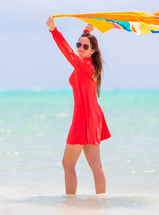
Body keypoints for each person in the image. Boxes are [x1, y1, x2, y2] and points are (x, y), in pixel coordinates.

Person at [46, 16, 111, 195]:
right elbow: (79, 48)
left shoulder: (83, 65)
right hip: (93, 116)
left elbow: (66, 51)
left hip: (83, 117)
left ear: (92, 51)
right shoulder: (91, 65)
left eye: (85, 46)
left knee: (68, 164)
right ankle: (101, 205)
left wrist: (54, 31)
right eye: (78, 45)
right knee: (96, 166)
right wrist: (86, 32)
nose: (80, 48)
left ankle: (70, 205)